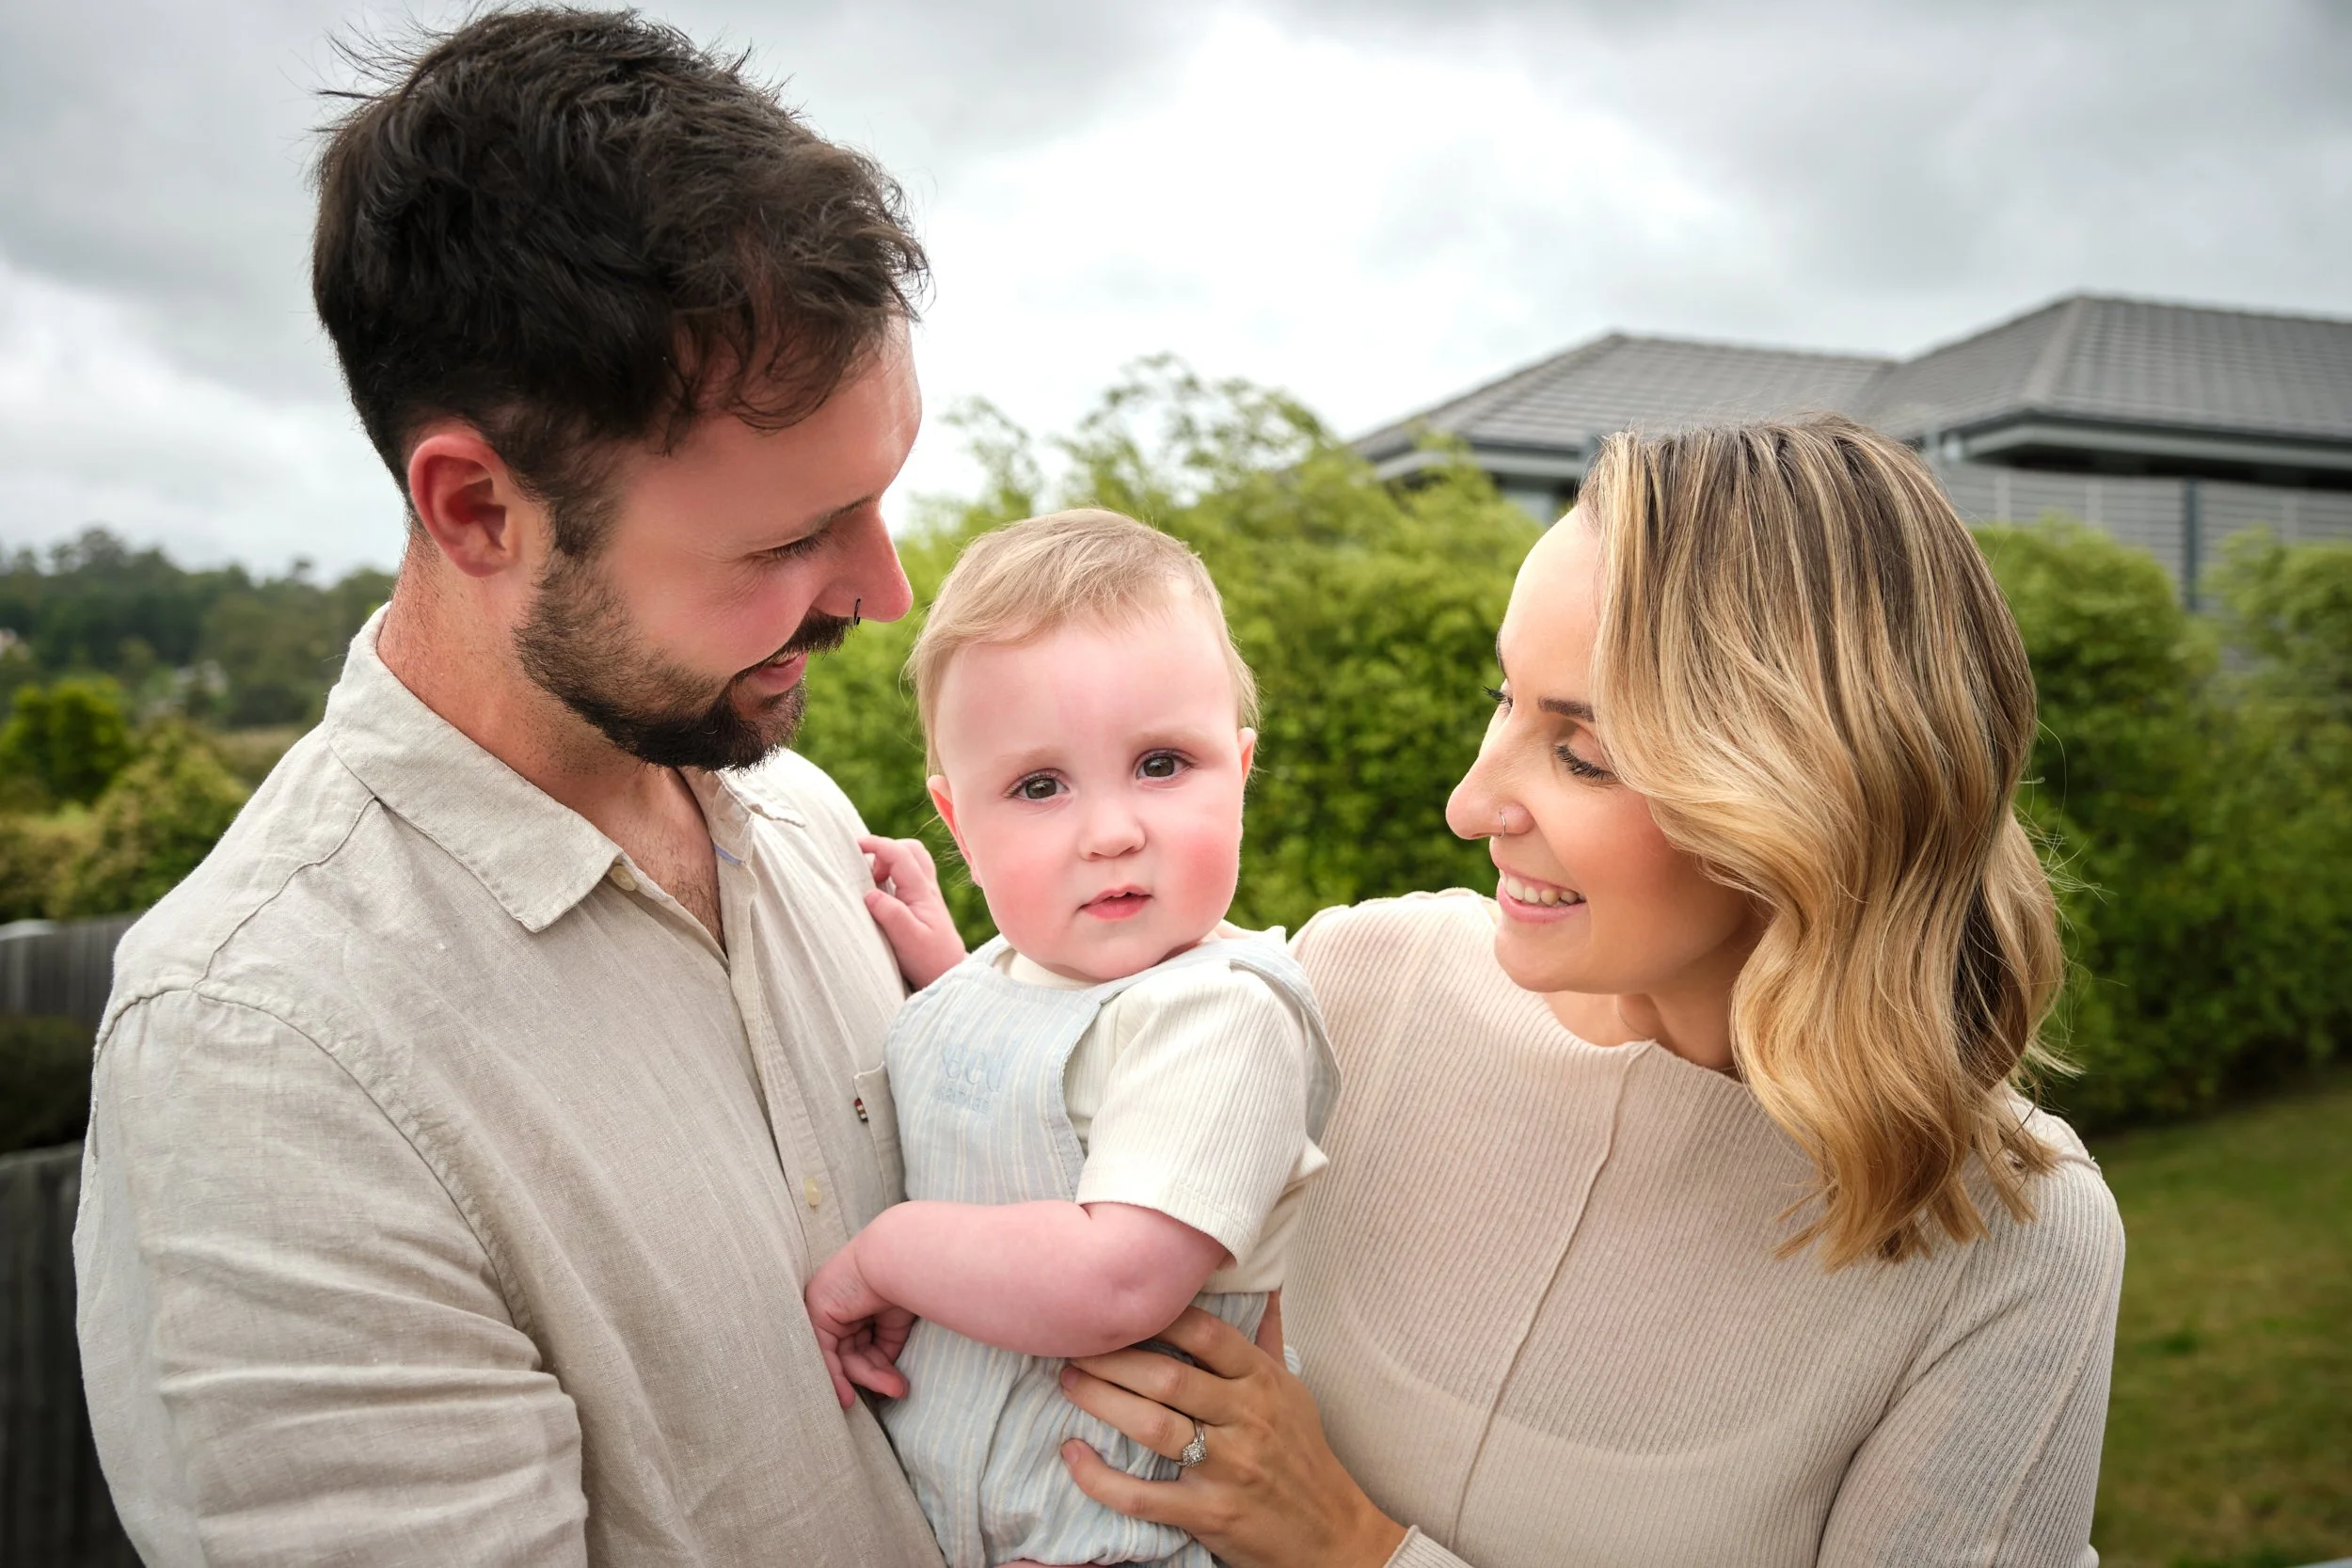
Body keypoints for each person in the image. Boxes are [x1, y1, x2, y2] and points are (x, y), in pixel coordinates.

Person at [73, 11, 948, 1563]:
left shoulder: (805, 826)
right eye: (786, 541)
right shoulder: (269, 1052)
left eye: (877, 500)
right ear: (478, 506)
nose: (880, 592)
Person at [1046, 417, 2127, 1567]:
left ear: (1807, 806)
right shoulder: (1350, 986)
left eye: (1582, 753)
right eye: (1502, 694)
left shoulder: (2012, 1242)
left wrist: (1355, 1549)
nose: (1470, 803)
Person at [804, 510, 1336, 1568]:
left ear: (1240, 771)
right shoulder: (1015, 979)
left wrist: (887, 1253)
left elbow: (1115, 1278)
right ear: (960, 825)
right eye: (1039, 787)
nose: (1110, 829)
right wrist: (957, 978)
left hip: (1117, 1534)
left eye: (1161, 763)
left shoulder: (1223, 1014)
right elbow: (1055, 1080)